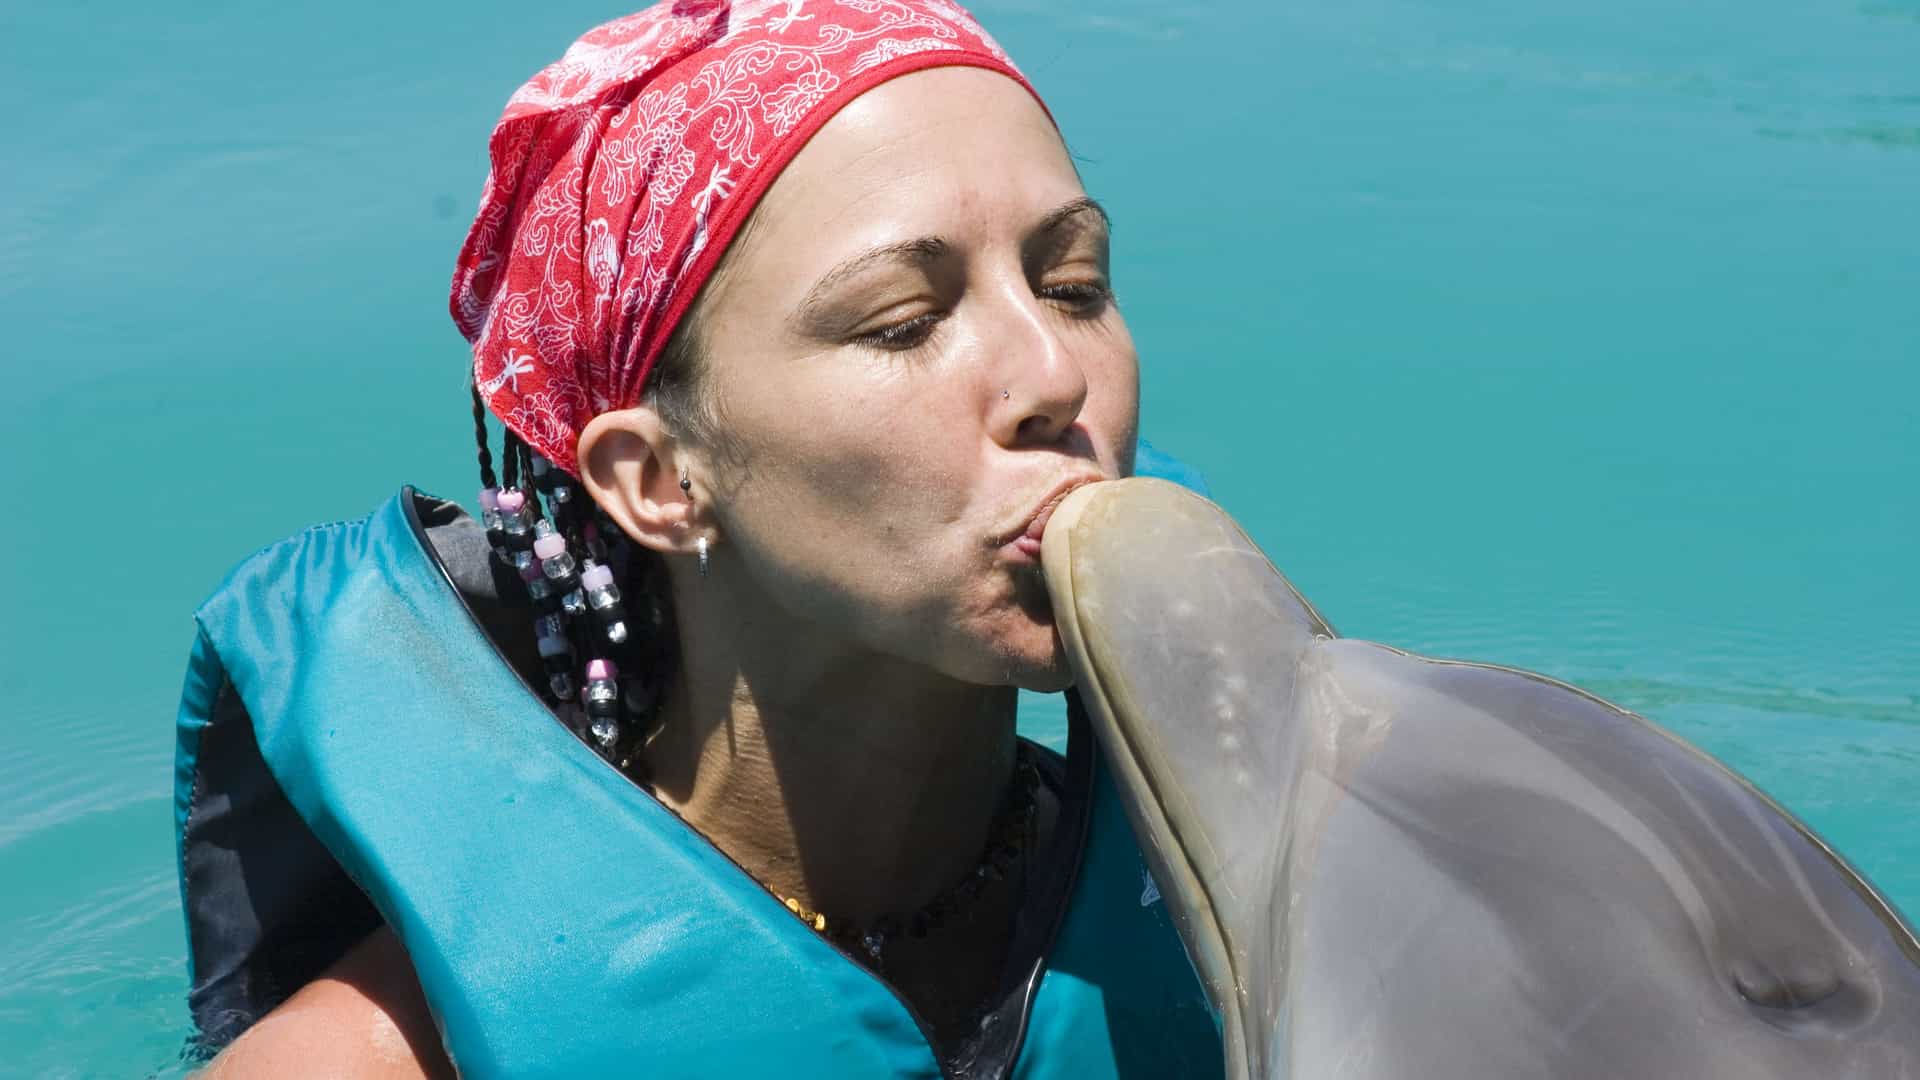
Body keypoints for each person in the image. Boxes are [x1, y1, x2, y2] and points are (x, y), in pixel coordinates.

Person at [174, 1, 1223, 1076]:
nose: (1055, 376)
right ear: (661, 481)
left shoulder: (1254, 888)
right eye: (904, 321)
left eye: (1073, 286)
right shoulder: (380, 1059)